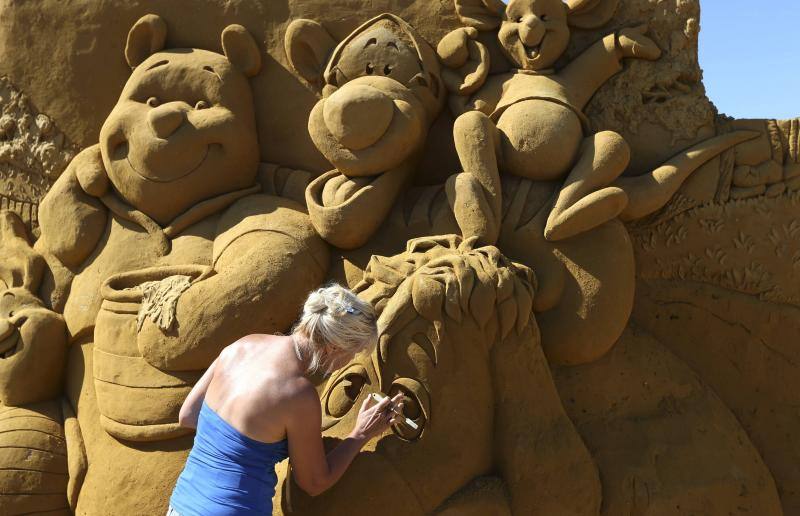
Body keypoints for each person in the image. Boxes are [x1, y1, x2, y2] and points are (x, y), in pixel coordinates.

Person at [167, 284, 404, 515]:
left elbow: (188, 414)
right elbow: (314, 483)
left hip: (181, 504)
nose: (350, 360)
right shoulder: (297, 394)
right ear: (334, 347)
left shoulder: (242, 346)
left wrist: (238, 446)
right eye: (353, 353)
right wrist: (360, 434)